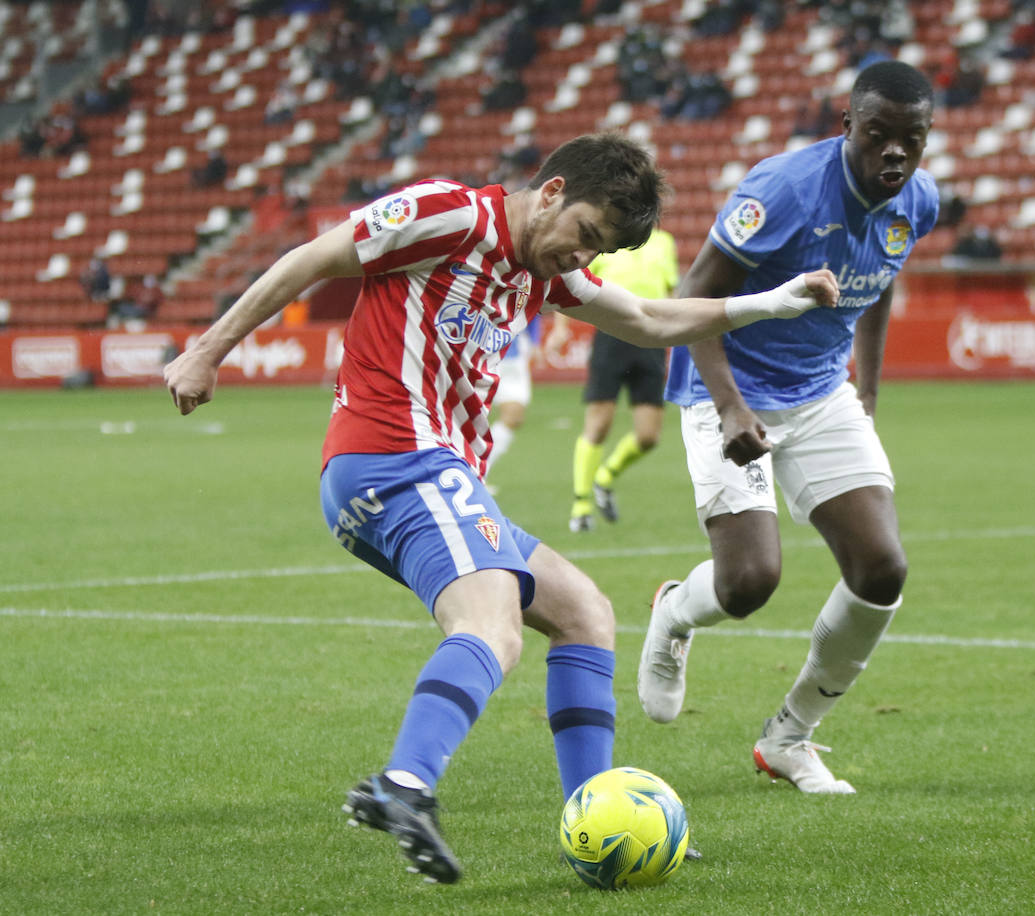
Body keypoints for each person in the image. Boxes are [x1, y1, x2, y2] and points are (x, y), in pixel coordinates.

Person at [162, 131, 839, 884]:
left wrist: (771, 304)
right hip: (392, 458)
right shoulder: (449, 215)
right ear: (550, 193)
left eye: (598, 251)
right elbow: (313, 257)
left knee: (584, 610)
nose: (581, 258)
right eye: (584, 234)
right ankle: (405, 785)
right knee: (493, 627)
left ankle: (595, 821)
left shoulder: (541, 273)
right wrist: (208, 348)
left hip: (433, 476)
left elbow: (649, 321)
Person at [636, 61, 939, 794]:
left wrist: (865, 385)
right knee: (748, 584)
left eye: (912, 140)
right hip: (727, 386)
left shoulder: (917, 201)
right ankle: (676, 611)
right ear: (847, 127)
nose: (894, 153)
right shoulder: (783, 191)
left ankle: (789, 738)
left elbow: (879, 280)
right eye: (878, 135)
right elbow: (692, 298)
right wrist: (733, 405)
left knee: (882, 569)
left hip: (820, 392)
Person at [569, 225, 678, 532]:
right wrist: (563, 328)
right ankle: (581, 505)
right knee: (599, 424)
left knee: (648, 436)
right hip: (611, 337)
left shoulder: (664, 241)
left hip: (651, 340)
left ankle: (605, 478)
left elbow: (671, 290)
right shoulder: (609, 236)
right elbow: (572, 282)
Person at [483, 315, 539, 478]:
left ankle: (479, 472)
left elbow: (534, 304)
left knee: (514, 416)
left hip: (509, 354)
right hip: (474, 351)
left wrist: (535, 340)